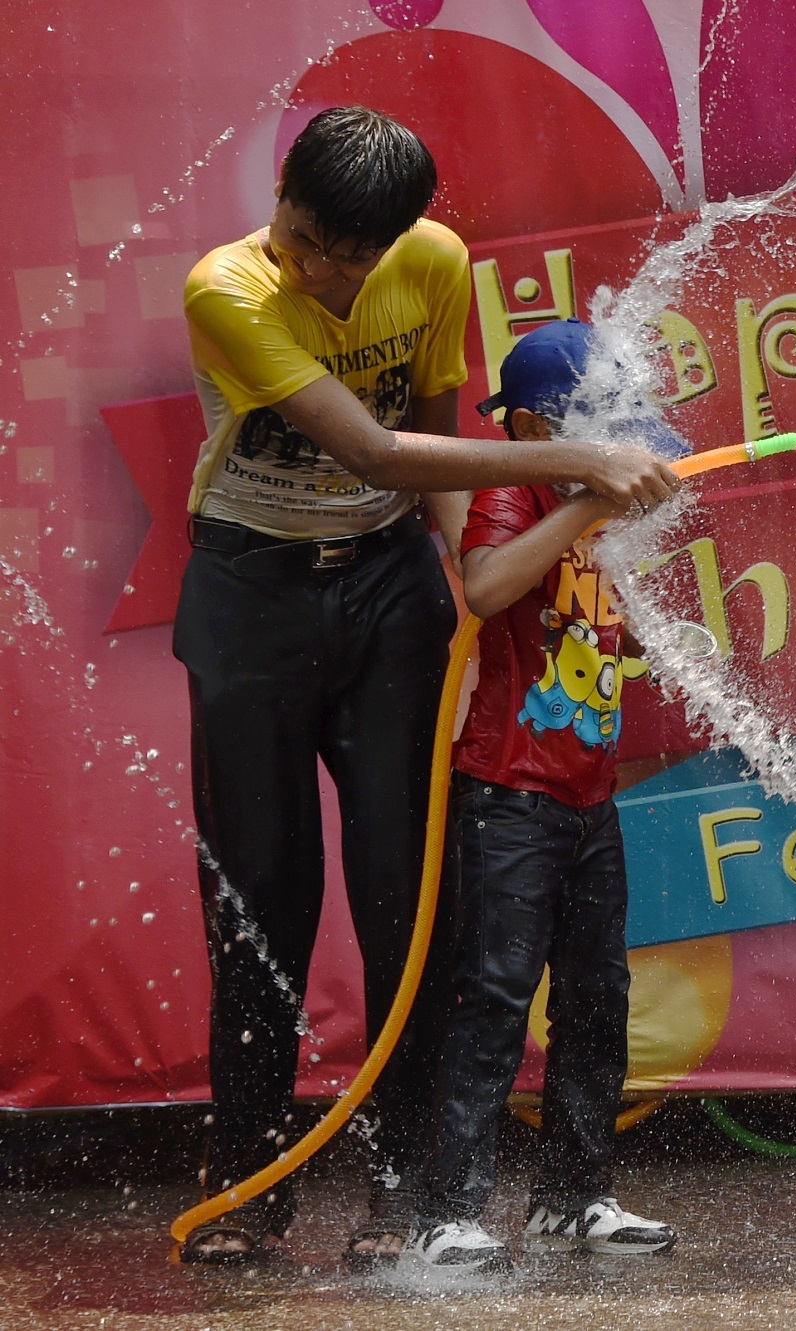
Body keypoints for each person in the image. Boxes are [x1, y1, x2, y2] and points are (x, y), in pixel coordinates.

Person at [174, 106, 681, 1267]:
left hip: (390, 597)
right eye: (306, 239)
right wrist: (577, 462)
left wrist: (480, 573)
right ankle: (249, 1185)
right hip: (251, 599)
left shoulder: (433, 263)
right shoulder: (230, 290)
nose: (325, 271)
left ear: (399, 238)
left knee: (413, 905)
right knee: (263, 903)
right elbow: (373, 450)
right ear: (282, 199)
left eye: (350, 257)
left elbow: (431, 428)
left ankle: (413, 1199)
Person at [407, 320, 678, 1272]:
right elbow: (482, 589)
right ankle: (446, 1212)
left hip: (586, 797)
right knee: (492, 998)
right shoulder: (512, 491)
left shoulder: (588, 507)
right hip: (508, 794)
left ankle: (575, 1197)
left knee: (600, 998)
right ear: (531, 429)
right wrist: (583, 501)